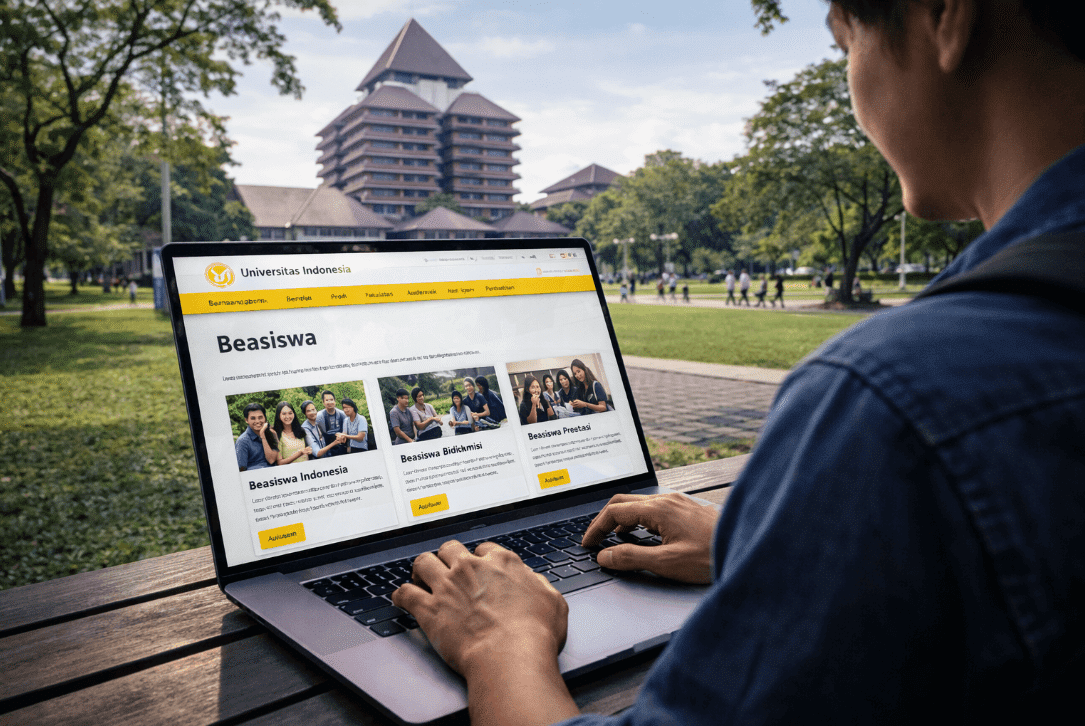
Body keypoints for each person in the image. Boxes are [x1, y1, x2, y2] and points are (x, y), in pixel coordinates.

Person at [388, 1, 1085, 723]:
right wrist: (787, 550)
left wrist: (498, 644)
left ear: (944, 15)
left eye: (844, 41)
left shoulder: (896, 403)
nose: (851, 84)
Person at [234, 403, 277, 471]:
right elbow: (241, 470)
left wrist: (264, 436)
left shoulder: (271, 434)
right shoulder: (242, 441)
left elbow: (273, 460)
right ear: (246, 420)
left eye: (260, 417)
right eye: (253, 418)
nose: (257, 421)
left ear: (265, 418)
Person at [272, 401, 312, 465]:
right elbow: (280, 462)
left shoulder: (301, 431)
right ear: (279, 416)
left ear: (294, 414)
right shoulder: (277, 435)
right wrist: (300, 453)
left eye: (290, 413)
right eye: (284, 414)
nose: (287, 416)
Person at [315, 390, 348, 456]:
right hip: (327, 447)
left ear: (334, 401)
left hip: (341, 445)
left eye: (331, 399)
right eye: (327, 400)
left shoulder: (342, 414)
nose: (329, 402)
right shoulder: (319, 416)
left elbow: (346, 430)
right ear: (323, 402)